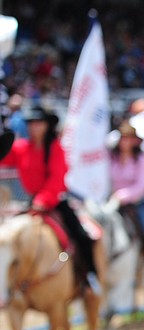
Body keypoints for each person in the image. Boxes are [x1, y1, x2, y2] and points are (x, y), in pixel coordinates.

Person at [0, 103, 101, 292]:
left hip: (55, 203)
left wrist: (42, 201)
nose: (34, 127)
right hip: (31, 204)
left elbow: (57, 180)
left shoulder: (56, 148)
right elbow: (5, 157)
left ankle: (90, 276)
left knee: (81, 235)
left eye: (38, 123)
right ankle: (14, 285)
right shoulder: (22, 148)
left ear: (47, 125)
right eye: (31, 123)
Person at [109, 120, 144, 291]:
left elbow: (142, 185)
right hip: (111, 204)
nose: (125, 142)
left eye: (128, 138)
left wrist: (122, 196)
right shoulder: (112, 157)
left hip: (136, 204)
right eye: (123, 138)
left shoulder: (142, 159)